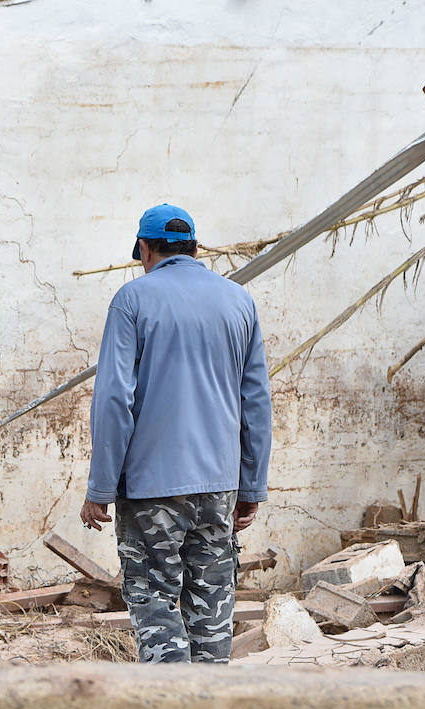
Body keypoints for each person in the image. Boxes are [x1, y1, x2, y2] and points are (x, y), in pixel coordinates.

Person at [80, 204, 272, 664]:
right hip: (219, 487)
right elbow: (257, 402)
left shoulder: (133, 300)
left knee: (157, 610)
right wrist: (252, 486)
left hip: (151, 491)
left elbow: (113, 401)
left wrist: (100, 489)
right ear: (195, 248)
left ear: (145, 249)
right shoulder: (238, 300)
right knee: (212, 615)